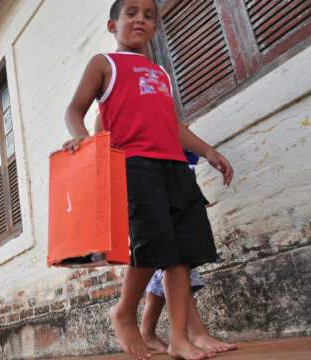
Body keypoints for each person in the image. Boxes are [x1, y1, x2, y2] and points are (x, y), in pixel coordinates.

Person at [63, 1, 234, 359]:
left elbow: (175, 127)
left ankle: (179, 338)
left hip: (174, 165)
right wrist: (81, 137)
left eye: (149, 15)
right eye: (132, 13)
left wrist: (209, 152)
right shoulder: (104, 64)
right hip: (134, 164)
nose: (141, 19)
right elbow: (74, 110)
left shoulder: (160, 73)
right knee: (154, 241)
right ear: (113, 25)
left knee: (183, 254)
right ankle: (124, 310)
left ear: (155, 27)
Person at [140, 151, 237, 355]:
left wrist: (207, 152)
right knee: (176, 260)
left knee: (169, 262)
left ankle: (148, 333)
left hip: (179, 179)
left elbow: (178, 130)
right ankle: (194, 333)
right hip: (151, 180)